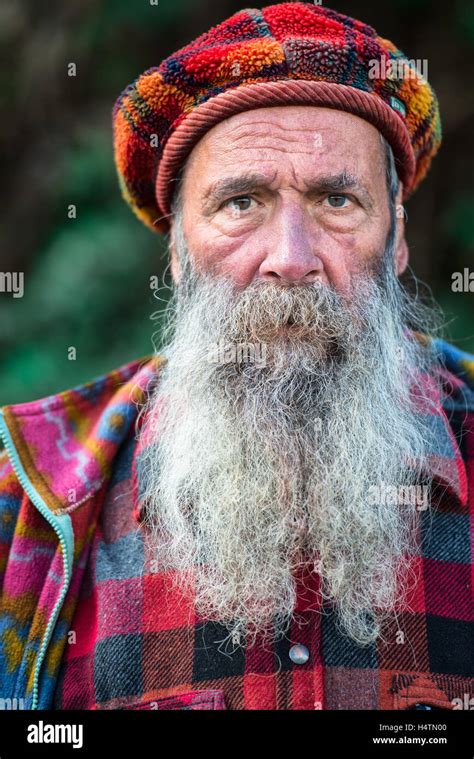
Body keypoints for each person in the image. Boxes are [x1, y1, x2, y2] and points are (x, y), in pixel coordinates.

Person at [1, 2, 472, 711]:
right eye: (241, 202)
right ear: (179, 250)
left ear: (397, 236)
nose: (290, 258)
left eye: (337, 200)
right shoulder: (26, 499)